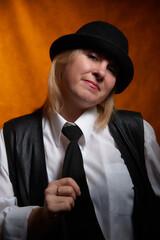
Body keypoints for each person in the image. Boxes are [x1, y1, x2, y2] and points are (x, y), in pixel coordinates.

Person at [0, 21, 159, 240]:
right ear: (64, 61)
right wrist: (40, 217)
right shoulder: (11, 137)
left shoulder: (137, 131)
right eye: (92, 56)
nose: (101, 72)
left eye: (112, 69)